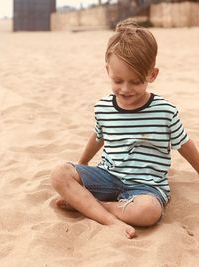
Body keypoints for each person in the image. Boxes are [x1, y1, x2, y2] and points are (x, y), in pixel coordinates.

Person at [51, 18, 199, 239]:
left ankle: (94, 207)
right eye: (118, 81)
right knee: (59, 173)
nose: (126, 89)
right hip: (108, 176)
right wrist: (81, 165)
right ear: (107, 71)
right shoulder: (103, 107)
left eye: (136, 81)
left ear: (152, 74)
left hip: (145, 187)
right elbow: (98, 137)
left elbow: (185, 145)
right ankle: (109, 219)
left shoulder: (165, 112)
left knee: (149, 212)